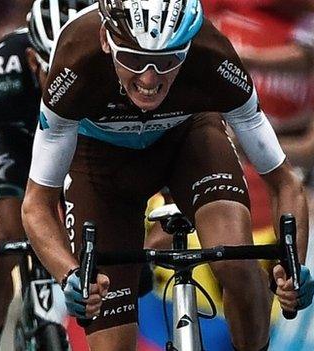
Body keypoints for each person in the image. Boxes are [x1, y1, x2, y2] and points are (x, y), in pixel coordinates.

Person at [21, 1, 314, 350]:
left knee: (238, 264)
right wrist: (69, 273)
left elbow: (285, 181)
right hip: (101, 163)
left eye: (167, 62)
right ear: (105, 39)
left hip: (188, 141)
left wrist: (291, 265)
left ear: (187, 49)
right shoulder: (75, 58)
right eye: (132, 58)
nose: (149, 79)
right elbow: (36, 204)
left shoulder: (211, 53)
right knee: (110, 339)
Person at [0, 1, 94, 349]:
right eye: (55, 71)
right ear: (32, 60)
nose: (66, 83)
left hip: (79, 151)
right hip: (15, 147)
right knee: (1, 243)